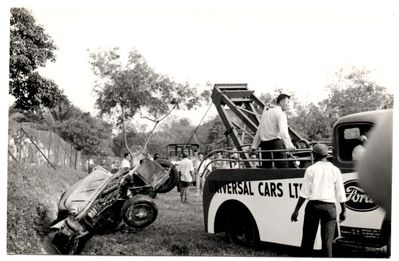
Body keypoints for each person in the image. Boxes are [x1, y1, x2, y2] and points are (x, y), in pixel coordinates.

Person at [290, 144, 346, 257]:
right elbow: (341, 193)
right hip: (330, 208)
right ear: (327, 155)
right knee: (327, 243)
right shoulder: (335, 170)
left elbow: (304, 193)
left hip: (313, 207)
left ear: (314, 155)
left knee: (307, 240)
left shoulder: (311, 170)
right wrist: (343, 210)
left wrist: (296, 210)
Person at [251, 93, 296, 168]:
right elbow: (283, 132)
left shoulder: (266, 113)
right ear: (281, 102)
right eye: (287, 102)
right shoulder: (281, 114)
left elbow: (259, 131)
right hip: (276, 145)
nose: (288, 104)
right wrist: (290, 146)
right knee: (283, 169)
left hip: (265, 146)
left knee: (266, 170)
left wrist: (254, 147)